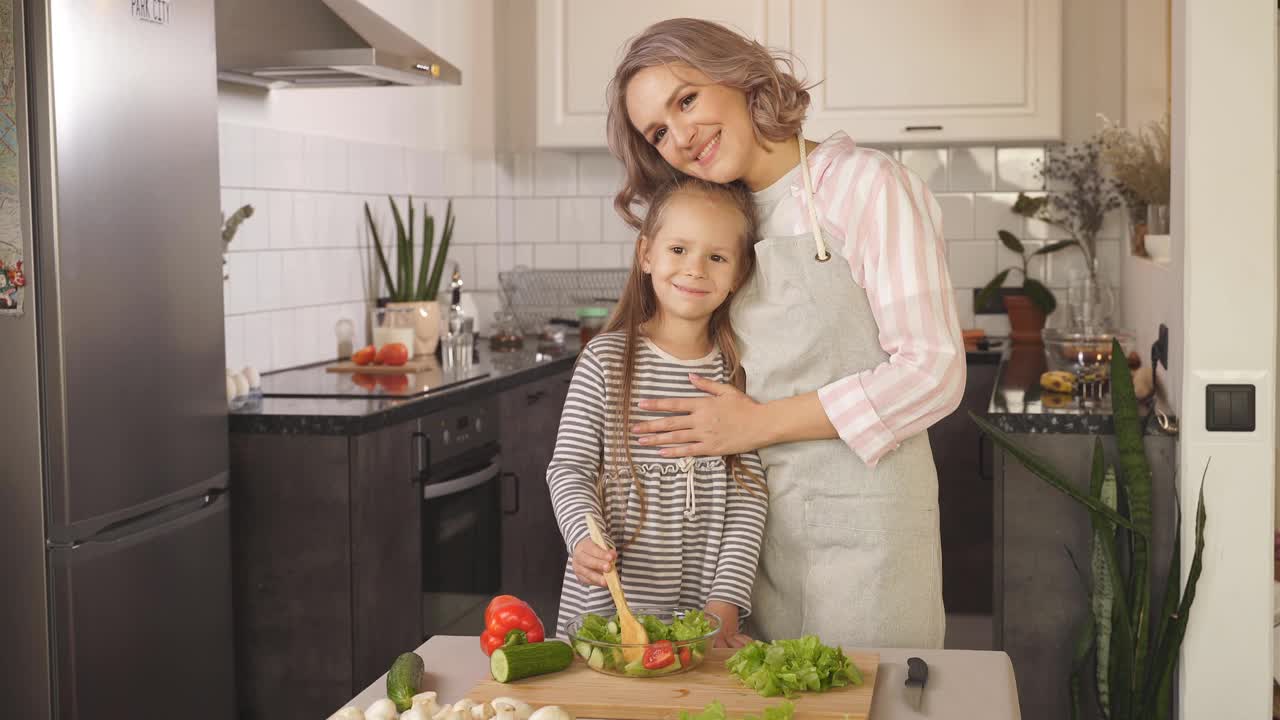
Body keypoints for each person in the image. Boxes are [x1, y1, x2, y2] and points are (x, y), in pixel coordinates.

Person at [602, 18, 966, 649]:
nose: (682, 137)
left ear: (738, 75)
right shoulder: (720, 222)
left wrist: (758, 424)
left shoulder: (864, 185)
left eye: (686, 100)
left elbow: (933, 373)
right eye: (658, 132)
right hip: (751, 544)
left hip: (867, 532)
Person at [549, 178, 767, 649]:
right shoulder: (605, 360)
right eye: (679, 249)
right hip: (605, 615)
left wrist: (726, 600)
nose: (695, 269)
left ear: (739, 274)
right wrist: (580, 538)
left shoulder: (740, 372)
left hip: (701, 623)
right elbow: (570, 468)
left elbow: (749, 499)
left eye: (717, 257)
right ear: (646, 255)